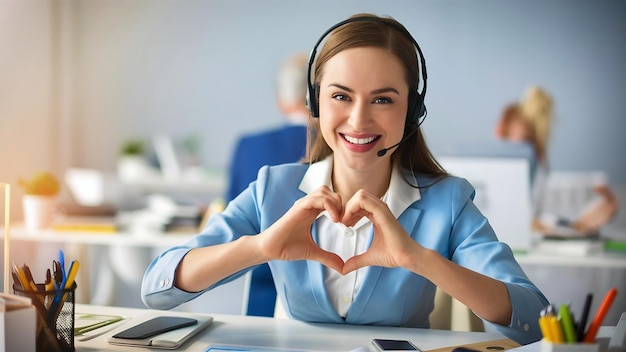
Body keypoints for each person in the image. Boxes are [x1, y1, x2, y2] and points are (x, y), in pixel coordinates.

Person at [142, 13, 548, 345]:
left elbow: (532, 316)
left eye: (383, 99)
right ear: (314, 102)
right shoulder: (273, 190)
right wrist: (259, 247)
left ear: (412, 111)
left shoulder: (449, 201)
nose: (358, 120)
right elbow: (158, 287)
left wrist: (420, 260)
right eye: (340, 96)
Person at [225, 53, 311, 316]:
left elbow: (230, 210)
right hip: (324, 288)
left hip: (260, 280)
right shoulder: (346, 147)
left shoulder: (249, 145)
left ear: (282, 101)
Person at [495, 86, 619, 236]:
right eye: (526, 142)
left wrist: (578, 225)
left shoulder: (544, 181)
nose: (533, 155)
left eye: (538, 144)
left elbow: (545, 218)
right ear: (500, 131)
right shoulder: (475, 189)